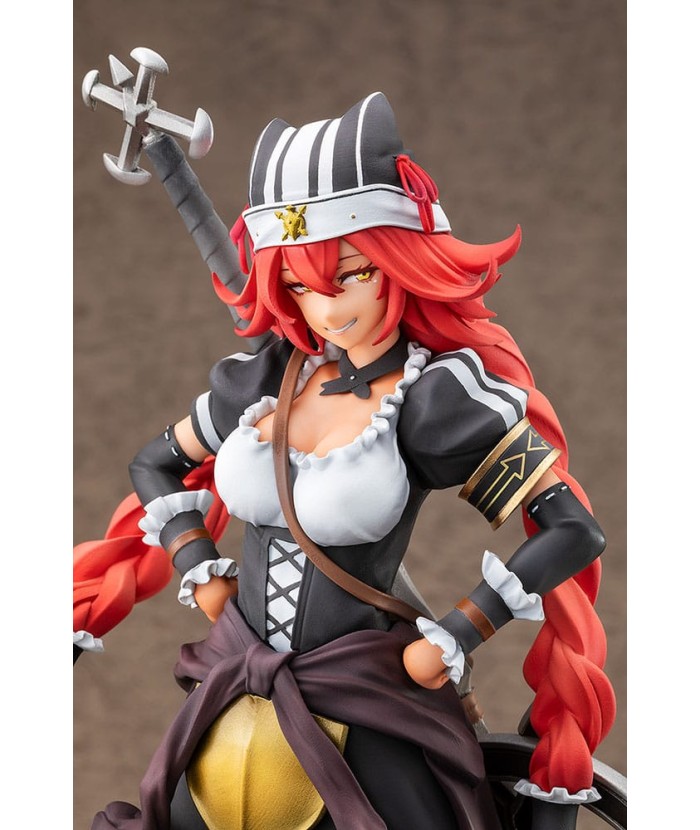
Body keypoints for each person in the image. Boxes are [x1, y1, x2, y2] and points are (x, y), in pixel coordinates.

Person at [74, 91, 616, 830]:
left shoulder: (432, 402)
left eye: (352, 275)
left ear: (400, 261)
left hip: (362, 699)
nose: (327, 310)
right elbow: (155, 464)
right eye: (299, 285)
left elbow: (572, 530)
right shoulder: (270, 380)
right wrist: (199, 567)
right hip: (234, 684)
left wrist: (459, 632)